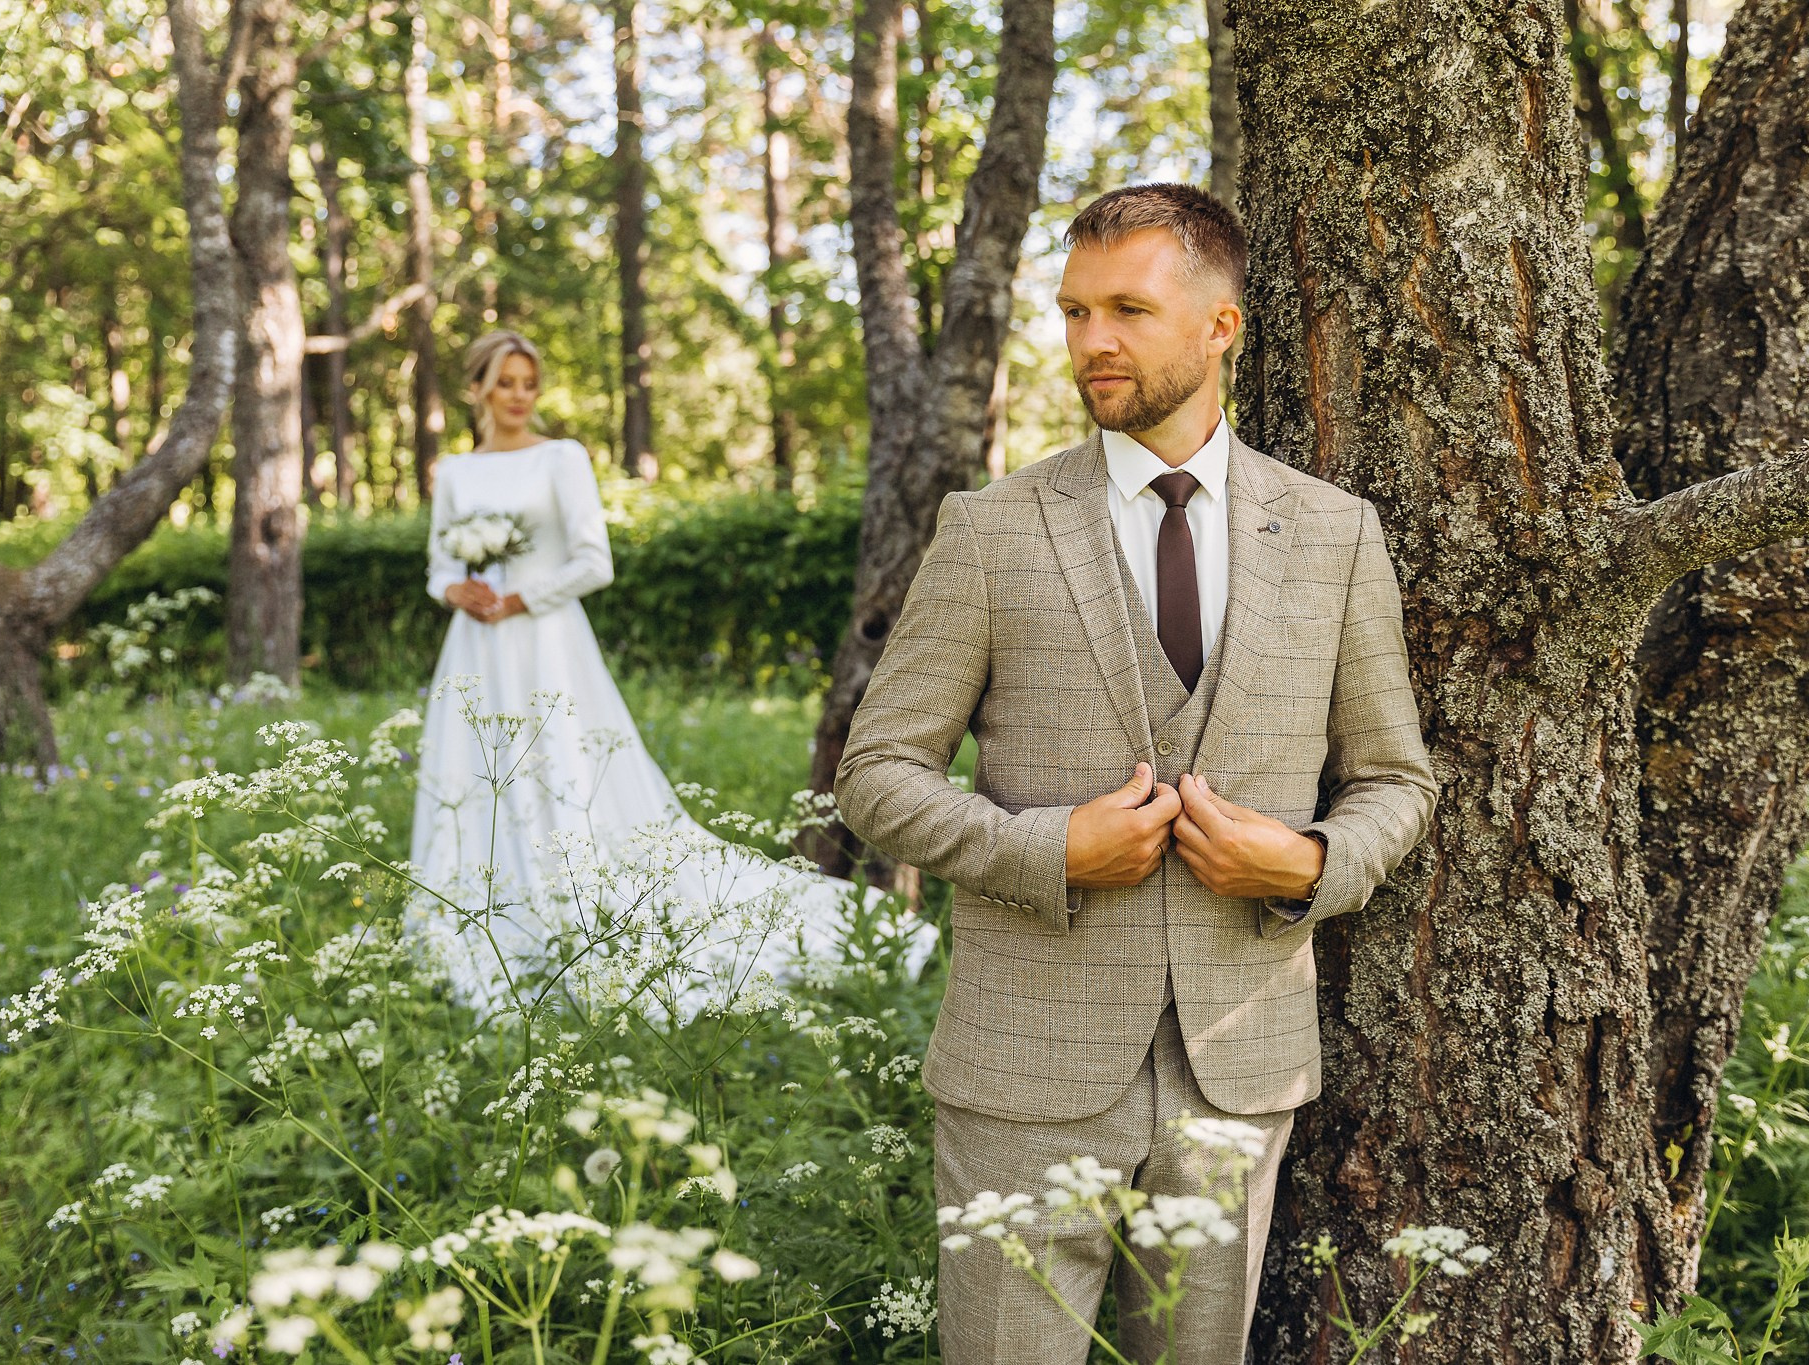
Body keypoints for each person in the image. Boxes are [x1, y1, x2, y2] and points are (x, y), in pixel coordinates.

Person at [834, 185, 1438, 1364]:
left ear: (1221, 326)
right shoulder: (991, 530)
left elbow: (1395, 780)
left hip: (1236, 1068)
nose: (1090, 341)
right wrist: (1043, 849)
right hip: (1023, 1072)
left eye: (1126, 309)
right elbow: (878, 769)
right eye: (1071, 312)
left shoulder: (1332, 534)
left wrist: (1308, 861)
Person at [406, 330, 911, 1019]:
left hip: (546, 641)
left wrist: (523, 597)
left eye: (529, 381)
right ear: (478, 389)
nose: (519, 395)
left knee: (560, 767)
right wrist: (452, 592)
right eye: (505, 382)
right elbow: (440, 562)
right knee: (474, 773)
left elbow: (594, 561)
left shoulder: (561, 457)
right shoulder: (458, 473)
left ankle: (568, 904)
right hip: (475, 648)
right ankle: (471, 916)